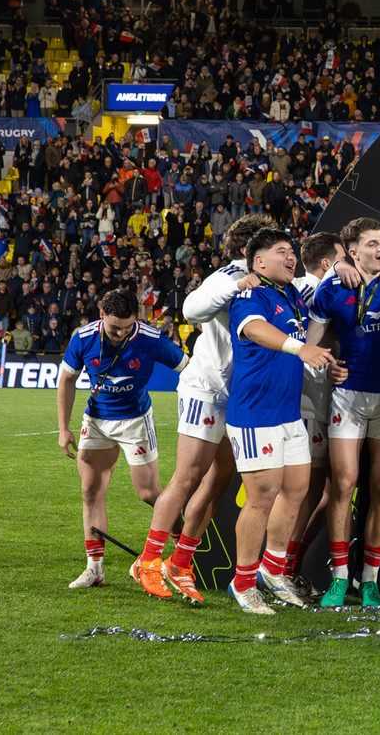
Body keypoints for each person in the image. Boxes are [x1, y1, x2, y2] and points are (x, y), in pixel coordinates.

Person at [132, 215, 275, 602]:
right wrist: (236, 283)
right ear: (252, 253)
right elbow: (193, 308)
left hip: (237, 395)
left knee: (219, 481)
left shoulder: (272, 280)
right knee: (188, 476)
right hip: (207, 390)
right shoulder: (229, 275)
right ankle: (147, 562)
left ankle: (181, 563)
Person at [224, 228, 342, 614]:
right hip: (256, 413)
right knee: (261, 497)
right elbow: (255, 330)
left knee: (296, 489)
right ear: (258, 261)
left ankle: (273, 571)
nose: (291, 258)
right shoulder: (249, 294)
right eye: (281, 252)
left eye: (292, 252)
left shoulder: (290, 294)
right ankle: (242, 583)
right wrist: (301, 347)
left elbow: (326, 275)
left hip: (289, 411)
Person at [306, 219, 380, 608]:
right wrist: (328, 363)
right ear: (353, 251)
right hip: (348, 397)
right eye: (372, 244)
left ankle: (369, 579)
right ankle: (339, 577)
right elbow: (310, 346)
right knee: (343, 484)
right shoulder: (332, 288)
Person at [58, 288, 188, 589]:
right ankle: (95, 569)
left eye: (128, 327)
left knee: (148, 493)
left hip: (135, 421)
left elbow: (189, 369)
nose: (121, 333)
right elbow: (66, 379)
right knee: (91, 490)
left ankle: (185, 543)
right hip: (97, 420)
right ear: (102, 314)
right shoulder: (83, 337)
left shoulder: (152, 339)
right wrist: (64, 428)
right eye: (115, 327)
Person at [283, 231, 344, 596]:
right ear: (328, 263)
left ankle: (288, 567)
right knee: (305, 493)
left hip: (322, 401)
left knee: (326, 493)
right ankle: (279, 570)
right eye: (343, 258)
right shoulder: (311, 289)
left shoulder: (308, 289)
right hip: (307, 401)